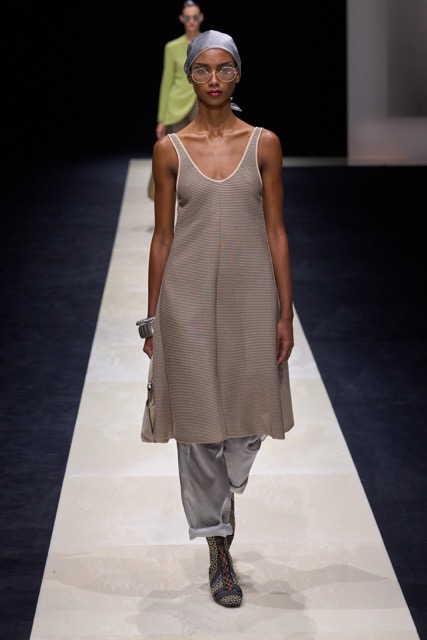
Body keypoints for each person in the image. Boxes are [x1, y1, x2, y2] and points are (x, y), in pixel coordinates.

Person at [141, 30, 295, 608]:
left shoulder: (264, 144)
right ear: (189, 76)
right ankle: (218, 549)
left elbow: (276, 230)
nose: (213, 79)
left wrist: (285, 311)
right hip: (186, 301)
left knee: (247, 425)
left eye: (223, 68)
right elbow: (162, 237)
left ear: (238, 75)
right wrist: (152, 318)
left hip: (250, 297)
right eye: (202, 69)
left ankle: (220, 504)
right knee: (200, 428)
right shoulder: (170, 150)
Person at [147, 0, 204, 200]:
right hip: (176, 104)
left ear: (201, 18)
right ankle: (167, 196)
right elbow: (167, 82)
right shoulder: (172, 47)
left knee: (201, 152)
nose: (191, 21)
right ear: (181, 19)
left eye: (195, 17)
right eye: (187, 17)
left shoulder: (208, 43)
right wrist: (161, 119)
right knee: (176, 154)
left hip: (200, 103)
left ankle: (197, 196)